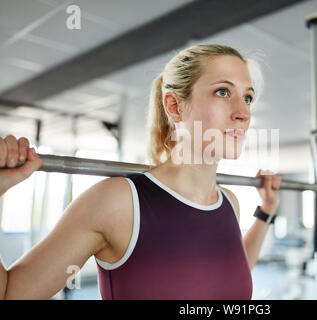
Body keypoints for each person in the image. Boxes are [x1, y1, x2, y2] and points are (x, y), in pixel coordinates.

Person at [0, 44, 281, 300]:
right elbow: (11, 293)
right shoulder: (117, 202)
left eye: (247, 98)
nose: (243, 113)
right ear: (174, 106)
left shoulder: (229, 203)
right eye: (223, 92)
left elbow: (230, 270)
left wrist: (266, 211)